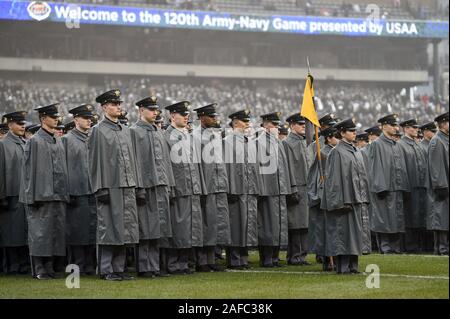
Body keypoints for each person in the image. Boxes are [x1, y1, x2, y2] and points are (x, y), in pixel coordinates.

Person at [89, 89, 139, 281]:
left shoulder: (126, 130)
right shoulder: (97, 131)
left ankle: (119, 268)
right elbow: (93, 162)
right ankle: (106, 269)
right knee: (108, 228)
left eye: (119, 104)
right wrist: (99, 187)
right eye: (114, 104)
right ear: (104, 107)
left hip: (127, 185)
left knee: (125, 229)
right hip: (109, 185)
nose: (118, 107)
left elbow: (132, 160)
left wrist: (136, 185)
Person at [19, 103, 69, 280]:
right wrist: (30, 196)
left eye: (57, 116)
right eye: (53, 116)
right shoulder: (34, 141)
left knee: (54, 233)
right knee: (40, 233)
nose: (57, 119)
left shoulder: (57, 140)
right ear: (43, 119)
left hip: (57, 194)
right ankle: (39, 269)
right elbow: (28, 172)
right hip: (40, 195)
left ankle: (49, 267)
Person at [130, 96, 175, 278]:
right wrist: (138, 188)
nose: (155, 112)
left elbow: (166, 162)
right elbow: (134, 163)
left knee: (158, 228)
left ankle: (154, 266)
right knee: (144, 229)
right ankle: (144, 266)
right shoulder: (133, 132)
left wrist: (169, 185)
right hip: (146, 186)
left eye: (156, 109)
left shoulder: (158, 132)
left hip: (160, 186)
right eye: (151, 109)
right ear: (141, 111)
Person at [321, 118, 369, 274]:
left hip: (356, 199)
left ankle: (353, 266)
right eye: (351, 131)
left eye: (355, 130)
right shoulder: (337, 152)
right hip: (344, 201)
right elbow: (333, 181)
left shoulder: (355, 151)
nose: (354, 133)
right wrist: (339, 201)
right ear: (342, 133)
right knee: (344, 235)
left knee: (355, 235)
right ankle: (343, 267)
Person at [164, 101, 204, 275]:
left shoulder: (189, 136)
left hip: (191, 187)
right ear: (173, 116)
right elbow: (166, 165)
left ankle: (185, 262)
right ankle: (173, 264)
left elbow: (196, 165)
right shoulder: (167, 136)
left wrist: (198, 187)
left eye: (187, 114)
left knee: (189, 228)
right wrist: (170, 188)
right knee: (177, 227)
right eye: (182, 114)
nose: (186, 116)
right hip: (178, 188)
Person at [192, 103, 230, 272]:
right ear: (202, 117)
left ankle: (211, 258)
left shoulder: (215, 136)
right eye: (211, 116)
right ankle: (201, 261)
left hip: (217, 185)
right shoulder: (195, 137)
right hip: (205, 186)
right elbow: (196, 165)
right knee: (205, 224)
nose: (215, 119)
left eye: (215, 116)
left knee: (215, 224)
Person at [256, 112, 296, 267]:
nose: (276, 127)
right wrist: (261, 189)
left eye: (277, 125)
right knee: (267, 225)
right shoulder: (259, 142)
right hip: (267, 189)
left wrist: (287, 187)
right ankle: (266, 257)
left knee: (278, 225)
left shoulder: (278, 143)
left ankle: (274, 256)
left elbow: (285, 167)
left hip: (279, 189)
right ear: (265, 125)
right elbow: (258, 168)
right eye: (273, 124)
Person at [62, 104, 97, 275]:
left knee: (91, 231)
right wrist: (68, 191)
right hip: (76, 193)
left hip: (92, 191)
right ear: (76, 119)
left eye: (90, 118)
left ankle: (89, 265)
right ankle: (76, 267)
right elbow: (63, 169)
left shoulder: (92, 138)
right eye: (85, 118)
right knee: (76, 232)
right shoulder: (67, 140)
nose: (89, 121)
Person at [368, 114, 410, 254]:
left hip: (396, 187)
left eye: (396, 125)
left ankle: (396, 248)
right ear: (384, 126)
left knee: (397, 220)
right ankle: (385, 248)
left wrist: (404, 186)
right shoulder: (377, 144)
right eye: (393, 125)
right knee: (384, 220)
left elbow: (401, 167)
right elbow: (375, 166)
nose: (396, 128)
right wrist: (380, 186)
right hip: (384, 188)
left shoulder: (396, 144)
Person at [223, 110, 259, 270]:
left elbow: (253, 168)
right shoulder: (228, 142)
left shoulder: (247, 141)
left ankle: (243, 257)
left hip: (248, 189)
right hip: (236, 190)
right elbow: (227, 168)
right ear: (235, 122)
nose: (247, 124)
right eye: (244, 121)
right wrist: (230, 189)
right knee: (236, 225)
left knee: (247, 225)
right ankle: (235, 258)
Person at [0, 111, 29, 274]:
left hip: (24, 195)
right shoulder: (3, 145)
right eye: (19, 123)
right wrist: (2, 196)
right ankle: (11, 266)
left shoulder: (25, 143)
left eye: (24, 124)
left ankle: (23, 265)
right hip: (10, 195)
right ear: (10, 125)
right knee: (11, 233)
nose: (22, 126)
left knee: (22, 232)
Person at [283, 113, 314, 266]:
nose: (303, 126)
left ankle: (301, 255)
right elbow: (288, 169)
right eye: (300, 124)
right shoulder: (287, 143)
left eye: (304, 124)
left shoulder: (304, 142)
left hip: (307, 188)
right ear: (292, 125)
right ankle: (295, 256)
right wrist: (292, 189)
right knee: (296, 225)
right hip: (296, 188)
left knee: (305, 224)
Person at [397, 119, 428, 253]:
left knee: (420, 216)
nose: (416, 130)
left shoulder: (418, 144)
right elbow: (401, 168)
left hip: (421, 186)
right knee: (410, 217)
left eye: (417, 128)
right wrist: (404, 187)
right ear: (406, 128)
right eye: (413, 128)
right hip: (410, 186)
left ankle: (420, 244)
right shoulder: (401, 145)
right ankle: (410, 245)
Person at [427, 112, 449, 255]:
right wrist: (441, 185)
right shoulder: (437, 141)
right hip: (442, 187)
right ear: (443, 123)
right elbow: (436, 167)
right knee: (441, 218)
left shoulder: (445, 139)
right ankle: (442, 248)